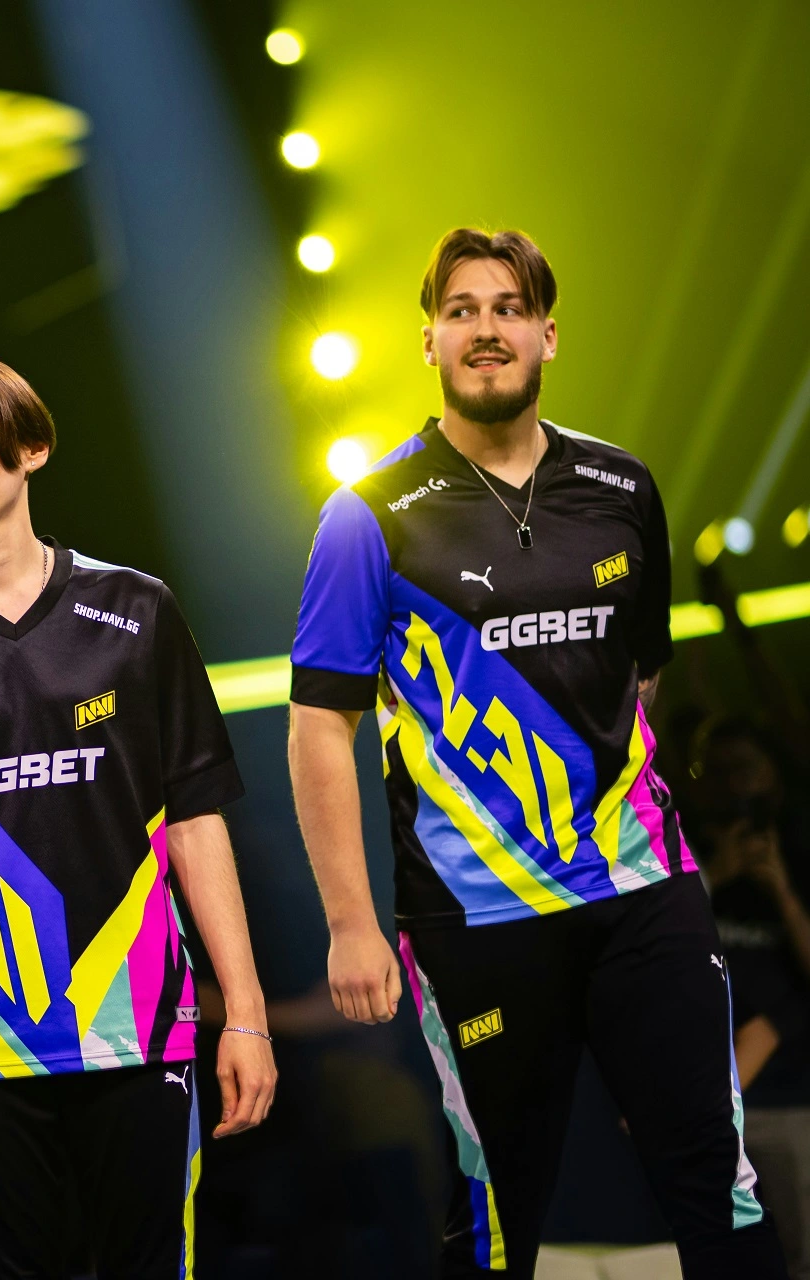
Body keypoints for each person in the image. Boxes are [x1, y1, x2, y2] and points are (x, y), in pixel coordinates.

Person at [286, 227, 785, 1278]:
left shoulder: (622, 486)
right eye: (461, 309)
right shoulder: (366, 516)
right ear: (428, 340)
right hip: (476, 918)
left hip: (642, 889)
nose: (486, 329)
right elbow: (321, 726)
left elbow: (640, 680)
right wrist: (350, 923)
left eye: (508, 307)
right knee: (493, 1215)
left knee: (719, 1181)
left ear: (547, 334)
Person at [0, 354, 276, 1278]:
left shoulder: (138, 609)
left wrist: (246, 1013)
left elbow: (195, 821)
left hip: (139, 1024)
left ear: (30, 448)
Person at [698, 781, 810, 1277]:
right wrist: (720, 872)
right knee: (721, 1255)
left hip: (790, 1101)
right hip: (715, 1101)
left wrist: (781, 887)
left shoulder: (793, 882)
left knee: (800, 1258)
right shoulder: (699, 888)